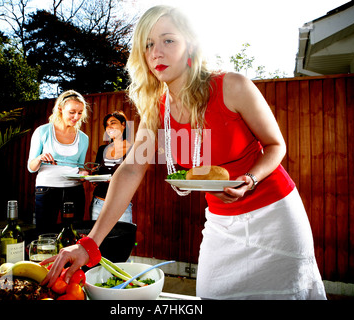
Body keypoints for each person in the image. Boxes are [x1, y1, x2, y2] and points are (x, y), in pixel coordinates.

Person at [41, 5, 327, 300]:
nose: (156, 53)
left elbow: (276, 145)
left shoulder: (232, 85)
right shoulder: (156, 109)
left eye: (168, 40)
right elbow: (131, 169)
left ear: (190, 43)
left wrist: (250, 179)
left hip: (275, 215)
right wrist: (90, 244)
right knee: (211, 293)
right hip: (221, 222)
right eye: (148, 45)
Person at [27, 90, 90, 235]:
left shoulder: (83, 138)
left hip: (74, 191)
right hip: (47, 190)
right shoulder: (42, 132)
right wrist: (40, 158)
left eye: (80, 113)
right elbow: (31, 167)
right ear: (60, 109)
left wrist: (83, 174)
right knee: (44, 234)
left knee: (73, 234)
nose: (76, 117)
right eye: (72, 112)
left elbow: (80, 167)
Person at [89, 111, 133, 223]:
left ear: (123, 124)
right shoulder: (102, 149)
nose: (109, 127)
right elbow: (96, 172)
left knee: (121, 240)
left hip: (121, 204)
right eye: (107, 125)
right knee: (97, 240)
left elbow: (133, 176)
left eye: (113, 123)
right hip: (98, 202)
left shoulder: (133, 149)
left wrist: (115, 179)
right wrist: (93, 176)